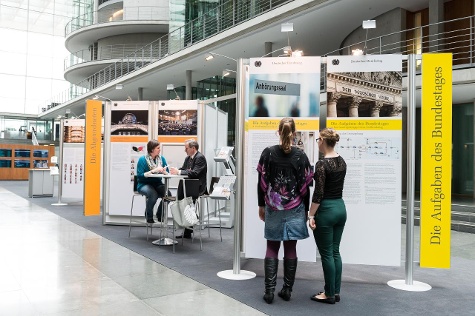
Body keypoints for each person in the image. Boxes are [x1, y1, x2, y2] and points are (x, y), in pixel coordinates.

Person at [257, 117, 314, 304]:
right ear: (294, 132)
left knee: (272, 247)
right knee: (291, 247)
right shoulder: (301, 156)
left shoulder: (268, 153)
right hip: (296, 207)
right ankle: (287, 290)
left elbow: (262, 183)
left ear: (278, 131)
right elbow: (306, 187)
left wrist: (261, 205)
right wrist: (306, 210)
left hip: (273, 207)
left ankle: (269, 292)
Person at [308, 128, 347, 305]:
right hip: (340, 208)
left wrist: (310, 215)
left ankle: (328, 294)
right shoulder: (342, 161)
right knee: (335, 251)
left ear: (323, 140)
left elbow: (319, 193)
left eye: (318, 139)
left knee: (326, 255)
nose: (317, 142)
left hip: (326, 210)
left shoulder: (322, 164)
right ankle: (335, 291)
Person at [170, 139, 208, 239]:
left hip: (197, 187)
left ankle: (191, 221)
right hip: (188, 185)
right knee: (182, 201)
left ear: (193, 148)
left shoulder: (200, 158)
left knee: (186, 202)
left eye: (186, 148)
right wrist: (176, 171)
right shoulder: (188, 158)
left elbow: (194, 173)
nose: (185, 150)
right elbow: (184, 170)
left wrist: (180, 172)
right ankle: (190, 224)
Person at [136, 140, 169, 223]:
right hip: (144, 184)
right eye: (158, 148)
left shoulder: (162, 159)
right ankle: (149, 216)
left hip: (157, 184)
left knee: (168, 195)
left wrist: (164, 171)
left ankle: (159, 214)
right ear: (152, 150)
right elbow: (140, 176)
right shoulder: (142, 160)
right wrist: (153, 171)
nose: (159, 150)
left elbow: (167, 172)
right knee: (153, 194)